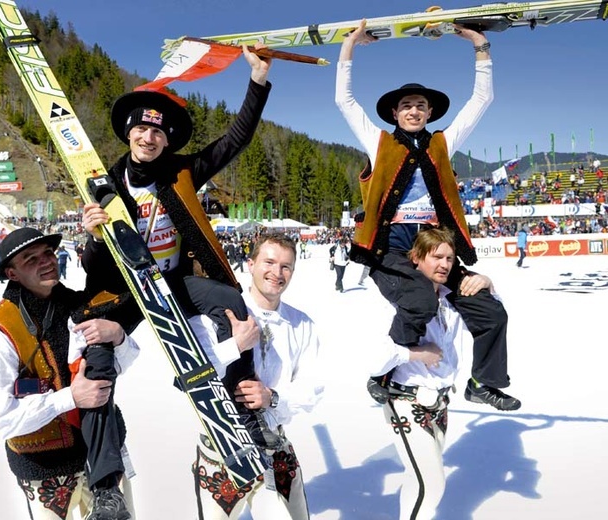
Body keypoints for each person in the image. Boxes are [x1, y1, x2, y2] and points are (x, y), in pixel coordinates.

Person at [82, 44, 281, 448]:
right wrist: (93, 235)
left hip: (175, 281)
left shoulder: (182, 172)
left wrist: (257, 80)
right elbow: (92, 266)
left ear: (167, 140)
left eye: (158, 132)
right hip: (129, 289)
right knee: (97, 352)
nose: (149, 137)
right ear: (129, 132)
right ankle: (104, 474)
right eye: (142, 128)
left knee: (231, 303)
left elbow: (235, 141)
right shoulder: (105, 185)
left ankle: (246, 409)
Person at [336, 19, 520, 411]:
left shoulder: (443, 143)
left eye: (421, 105)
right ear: (394, 113)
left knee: (491, 310)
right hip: (391, 247)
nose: (414, 110)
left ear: (430, 111)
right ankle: (382, 375)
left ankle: (482, 382)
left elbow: (481, 102)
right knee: (420, 300)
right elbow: (345, 102)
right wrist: (349, 48)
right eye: (406, 106)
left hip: (435, 246)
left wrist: (480, 46)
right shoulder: (378, 142)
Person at [0, 228, 140, 520]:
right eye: (30, 259)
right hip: (44, 467)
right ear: (12, 274)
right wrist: (71, 397)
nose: (46, 261)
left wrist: (118, 336)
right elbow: (0, 418)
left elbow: (120, 365)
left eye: (48, 253)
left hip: (101, 462)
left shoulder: (78, 305)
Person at [188, 233, 324, 519]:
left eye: (286, 266)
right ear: (250, 264)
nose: (277, 273)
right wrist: (234, 345)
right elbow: (192, 378)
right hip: (222, 449)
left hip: (274, 446)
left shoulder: (301, 324)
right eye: (269, 262)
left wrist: (272, 397)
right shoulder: (215, 314)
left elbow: (313, 387)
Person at [371, 228, 478, 520]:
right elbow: (375, 356)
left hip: (441, 402)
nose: (445, 264)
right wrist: (419, 353)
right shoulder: (396, 299)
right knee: (431, 484)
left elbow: (491, 316)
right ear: (416, 258)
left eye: (450, 258)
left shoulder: (449, 298)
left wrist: (487, 284)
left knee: (416, 478)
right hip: (406, 398)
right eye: (437, 257)